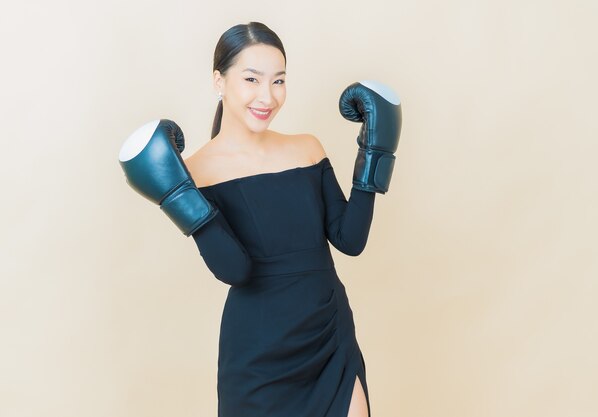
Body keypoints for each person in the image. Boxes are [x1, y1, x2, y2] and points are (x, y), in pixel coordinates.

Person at [118, 21, 401, 417]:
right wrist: (179, 196)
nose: (267, 96)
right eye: (252, 79)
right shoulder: (195, 171)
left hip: (329, 334)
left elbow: (350, 239)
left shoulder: (307, 148)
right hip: (258, 354)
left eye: (279, 81)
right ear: (220, 81)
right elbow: (235, 269)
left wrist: (376, 154)